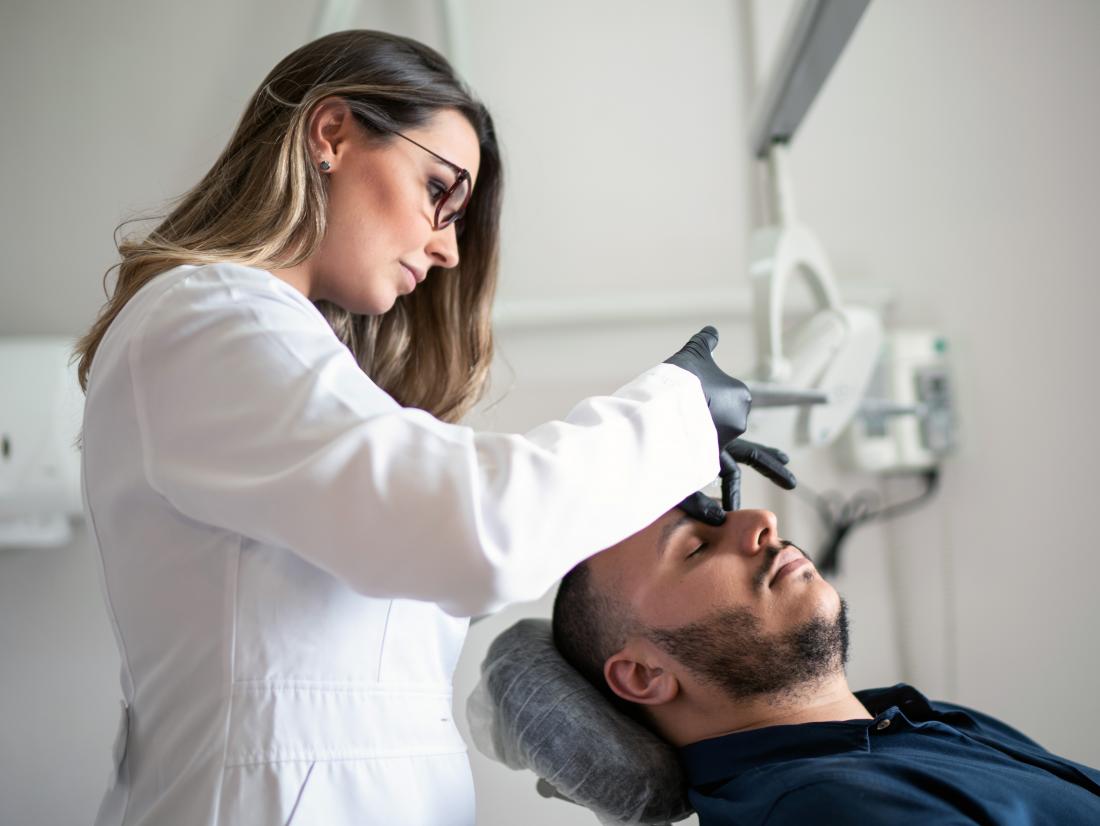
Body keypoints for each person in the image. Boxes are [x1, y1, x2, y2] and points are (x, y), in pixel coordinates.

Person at [73, 28, 779, 826]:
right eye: (440, 190)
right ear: (331, 135)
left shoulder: (276, 352)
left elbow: (419, 572)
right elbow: (477, 531)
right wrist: (676, 410)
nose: (447, 248)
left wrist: (651, 489)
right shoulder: (210, 316)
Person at [552, 503, 1100, 824]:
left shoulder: (912, 719)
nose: (762, 519)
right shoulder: (823, 810)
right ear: (646, 675)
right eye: (695, 548)